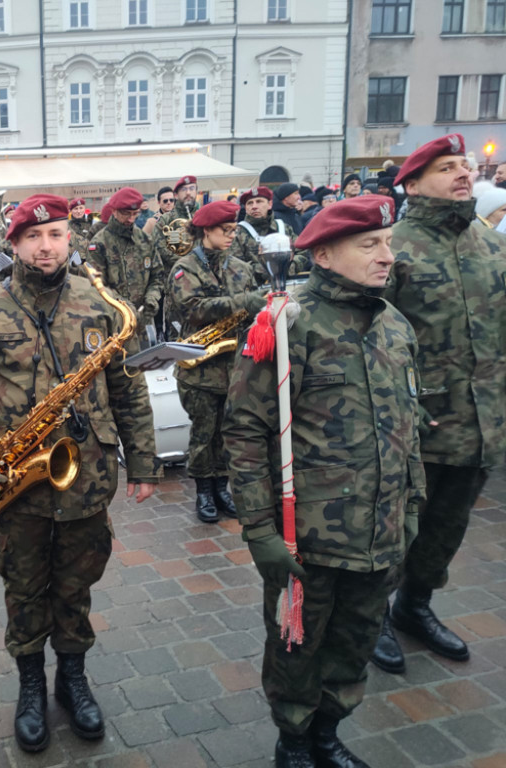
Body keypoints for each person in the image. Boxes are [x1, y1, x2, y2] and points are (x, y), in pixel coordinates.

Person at [0, 193, 159, 753]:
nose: (45, 246)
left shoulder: (102, 303)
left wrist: (145, 462)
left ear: (70, 238)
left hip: (88, 473)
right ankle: (31, 684)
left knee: (77, 582)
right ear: (13, 243)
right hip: (15, 479)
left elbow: (130, 389)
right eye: (33, 236)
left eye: (55, 234)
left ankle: (73, 679)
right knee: (23, 583)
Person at [223, 195, 425, 768]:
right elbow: (244, 432)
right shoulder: (288, 324)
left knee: (356, 641)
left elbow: (409, 425)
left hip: (380, 530)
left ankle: (328, 733)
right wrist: (260, 530)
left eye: (388, 242)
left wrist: (413, 501)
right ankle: (293, 741)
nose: (387, 255)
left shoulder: (395, 326)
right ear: (325, 254)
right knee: (297, 646)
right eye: (370, 245)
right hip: (309, 537)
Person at [370, 133, 506, 675]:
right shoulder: (392, 248)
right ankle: (374, 614)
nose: (463, 173)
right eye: (447, 167)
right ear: (412, 183)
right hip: (418, 421)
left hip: (481, 419)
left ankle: (415, 604)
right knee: (396, 525)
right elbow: (369, 339)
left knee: (448, 525)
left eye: (464, 165)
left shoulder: (488, 242)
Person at [167, 201, 264, 523]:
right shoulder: (184, 268)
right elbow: (192, 309)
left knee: (227, 432)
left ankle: (222, 487)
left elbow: (252, 312)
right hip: (200, 369)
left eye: (234, 230)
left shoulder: (241, 267)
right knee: (203, 434)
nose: (232, 236)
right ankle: (204, 491)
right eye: (226, 230)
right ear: (206, 230)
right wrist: (243, 302)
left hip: (234, 366)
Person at [86, 186, 166, 342]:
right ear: (114, 211)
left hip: (143, 321)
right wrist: (124, 307)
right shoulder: (99, 243)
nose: (131, 219)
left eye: (135, 214)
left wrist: (151, 298)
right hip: (114, 323)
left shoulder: (145, 240)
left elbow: (157, 275)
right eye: (126, 214)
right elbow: (96, 287)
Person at [232, 186, 311, 286]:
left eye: (259, 201)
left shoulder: (283, 228)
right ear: (246, 208)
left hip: (287, 284)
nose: (254, 206)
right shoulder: (238, 233)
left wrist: (290, 267)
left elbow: (303, 251)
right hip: (255, 289)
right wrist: (268, 270)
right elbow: (235, 265)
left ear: (270, 204)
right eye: (250, 203)